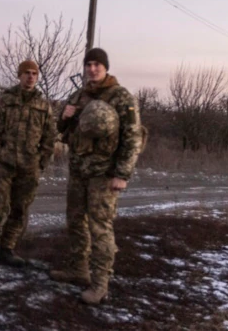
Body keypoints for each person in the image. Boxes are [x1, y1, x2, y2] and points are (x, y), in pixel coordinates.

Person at [49, 48, 143, 305]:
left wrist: (122, 174)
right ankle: (78, 270)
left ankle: (100, 284)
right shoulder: (79, 94)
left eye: (97, 64)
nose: (92, 68)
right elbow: (62, 129)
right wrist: (63, 117)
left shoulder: (121, 97)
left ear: (106, 67)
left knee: (100, 228)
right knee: (75, 221)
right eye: (88, 64)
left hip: (104, 174)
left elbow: (133, 138)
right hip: (79, 171)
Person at [0, 60, 57, 271]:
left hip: (29, 168)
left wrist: (41, 162)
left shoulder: (43, 106)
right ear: (19, 75)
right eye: (26, 73)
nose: (30, 77)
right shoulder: (6, 100)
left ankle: (8, 249)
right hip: (5, 166)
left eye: (34, 74)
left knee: (20, 210)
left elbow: (49, 138)